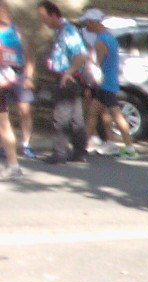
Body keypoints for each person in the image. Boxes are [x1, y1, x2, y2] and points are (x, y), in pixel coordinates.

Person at [79, 9, 134, 158]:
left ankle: (129, 147)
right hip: (109, 81)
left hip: (105, 83)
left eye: (87, 23)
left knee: (116, 116)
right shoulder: (109, 37)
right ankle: (94, 145)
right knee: (93, 113)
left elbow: (98, 64)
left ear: (93, 23)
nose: (86, 26)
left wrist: (90, 81)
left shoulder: (100, 41)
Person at [37, 1, 87, 164]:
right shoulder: (62, 31)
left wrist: (68, 72)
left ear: (53, 15)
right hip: (68, 78)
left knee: (61, 116)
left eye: (44, 17)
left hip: (67, 79)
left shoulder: (68, 31)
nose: (42, 21)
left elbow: (81, 55)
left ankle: (59, 153)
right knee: (76, 119)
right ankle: (79, 153)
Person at [0, 1, 34, 177]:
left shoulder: (17, 33)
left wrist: (28, 77)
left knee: (18, 115)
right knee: (4, 124)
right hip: (8, 77)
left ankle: (21, 153)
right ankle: (13, 165)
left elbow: (29, 57)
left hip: (14, 77)